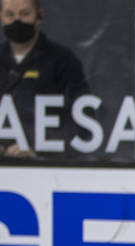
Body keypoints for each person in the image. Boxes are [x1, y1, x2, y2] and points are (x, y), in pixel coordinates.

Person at [0, 0, 88, 158]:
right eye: (9, 15)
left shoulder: (62, 61)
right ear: (1, 17)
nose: (17, 21)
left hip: (46, 168)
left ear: (39, 16)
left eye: (25, 14)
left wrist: (38, 152)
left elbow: (82, 121)